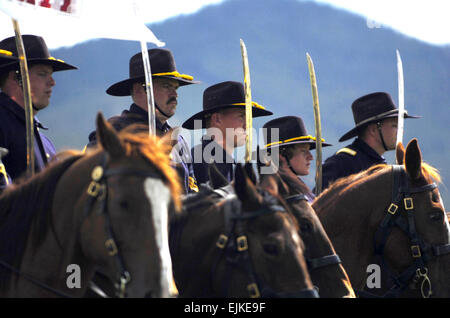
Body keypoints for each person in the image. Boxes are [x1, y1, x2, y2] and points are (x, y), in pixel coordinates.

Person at [87, 48, 200, 194]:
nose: (175, 94)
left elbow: (191, 192)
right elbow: (92, 182)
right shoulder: (115, 131)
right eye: (166, 86)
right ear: (140, 90)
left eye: (176, 88)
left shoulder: (178, 139)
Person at [0, 34, 77, 182]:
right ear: (16, 77)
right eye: (42, 74)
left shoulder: (45, 142)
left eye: (51, 74)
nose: (52, 82)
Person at [320, 92, 420, 190]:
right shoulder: (343, 163)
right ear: (373, 130)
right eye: (394, 126)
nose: (400, 132)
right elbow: (319, 204)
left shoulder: (381, 164)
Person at [182, 81, 273, 184]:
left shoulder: (222, 162)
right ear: (217, 119)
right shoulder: (202, 162)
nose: (247, 125)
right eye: (241, 116)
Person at [262, 115, 331, 203]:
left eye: (308, 151)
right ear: (281, 156)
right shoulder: (278, 194)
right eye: (303, 151)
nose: (311, 157)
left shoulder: (298, 186)